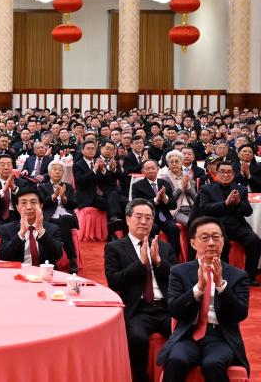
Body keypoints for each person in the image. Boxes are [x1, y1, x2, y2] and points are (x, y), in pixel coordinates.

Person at [158, 217, 251, 381]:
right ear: (193, 243)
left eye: (216, 237)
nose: (211, 243)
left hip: (220, 337)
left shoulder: (238, 275)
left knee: (213, 363)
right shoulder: (179, 271)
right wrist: (198, 288)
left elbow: (240, 313)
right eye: (204, 237)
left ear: (223, 242)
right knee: (176, 360)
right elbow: (174, 309)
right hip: (188, 334)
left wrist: (221, 286)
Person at [104, 199, 177, 382]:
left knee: (182, 336)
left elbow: (177, 279)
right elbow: (114, 283)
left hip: (166, 307)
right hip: (138, 309)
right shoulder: (115, 248)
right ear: (128, 219)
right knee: (137, 338)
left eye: (148, 218)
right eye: (139, 217)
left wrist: (159, 262)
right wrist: (140, 264)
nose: (144, 222)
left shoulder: (164, 247)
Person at [197, 161, 260, 286]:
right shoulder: (206, 189)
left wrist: (238, 204)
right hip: (216, 226)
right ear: (217, 173)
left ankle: (249, 276)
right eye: (222, 172)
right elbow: (204, 208)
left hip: (237, 225)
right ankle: (223, 276)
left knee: (255, 241)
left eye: (229, 172)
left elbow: (248, 212)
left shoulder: (240, 189)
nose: (225, 175)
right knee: (223, 243)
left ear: (233, 174)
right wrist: (224, 204)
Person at [0, 186, 63, 266]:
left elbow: (57, 255)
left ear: (41, 206)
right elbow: (3, 257)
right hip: (18, 273)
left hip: (43, 275)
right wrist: (21, 233)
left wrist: (41, 231)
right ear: (17, 208)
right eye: (23, 203)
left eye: (33, 202)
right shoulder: (7, 229)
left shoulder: (53, 229)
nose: (29, 207)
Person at [37, 160, 79, 273]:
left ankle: (53, 258)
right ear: (49, 173)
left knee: (64, 220)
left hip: (67, 216)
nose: (57, 172)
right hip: (50, 217)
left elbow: (75, 204)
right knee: (59, 225)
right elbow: (42, 204)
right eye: (55, 170)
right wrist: (54, 196)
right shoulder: (42, 187)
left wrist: (64, 197)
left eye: (60, 170)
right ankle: (72, 259)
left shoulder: (68, 187)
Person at [131, 160, 180, 244]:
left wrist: (165, 198)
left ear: (157, 169)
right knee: (153, 228)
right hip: (147, 217)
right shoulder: (137, 186)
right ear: (142, 171)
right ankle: (150, 254)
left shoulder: (165, 183)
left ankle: (172, 255)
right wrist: (155, 200)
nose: (151, 171)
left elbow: (173, 205)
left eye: (153, 168)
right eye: (148, 169)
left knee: (173, 228)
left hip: (163, 216)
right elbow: (137, 205)